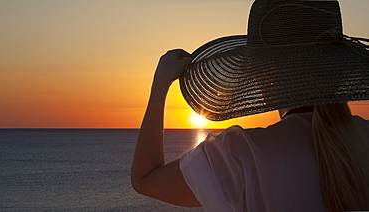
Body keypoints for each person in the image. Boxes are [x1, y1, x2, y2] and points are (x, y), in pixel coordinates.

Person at [131, 0, 369, 211]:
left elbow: (145, 179)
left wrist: (160, 86)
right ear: (340, 70)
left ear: (261, 76)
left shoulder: (242, 155)